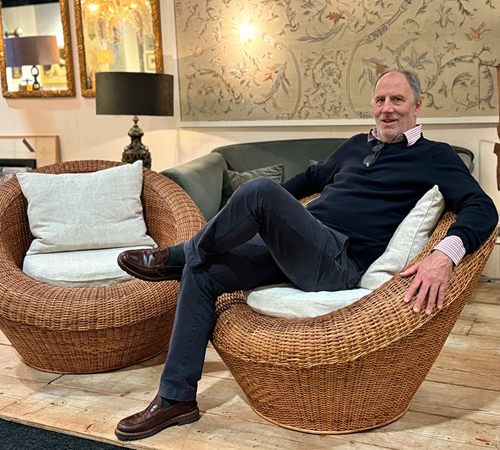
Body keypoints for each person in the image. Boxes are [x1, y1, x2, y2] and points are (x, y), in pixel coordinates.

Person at [114, 69, 498, 441]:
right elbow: (311, 180)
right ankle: (176, 398)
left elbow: (483, 207)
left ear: (417, 105)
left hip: (338, 262)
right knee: (204, 270)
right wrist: (274, 212)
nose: (387, 108)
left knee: (257, 193)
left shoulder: (436, 156)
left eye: (397, 99)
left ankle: (177, 255)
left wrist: (444, 256)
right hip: (297, 248)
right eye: (380, 100)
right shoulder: (356, 145)